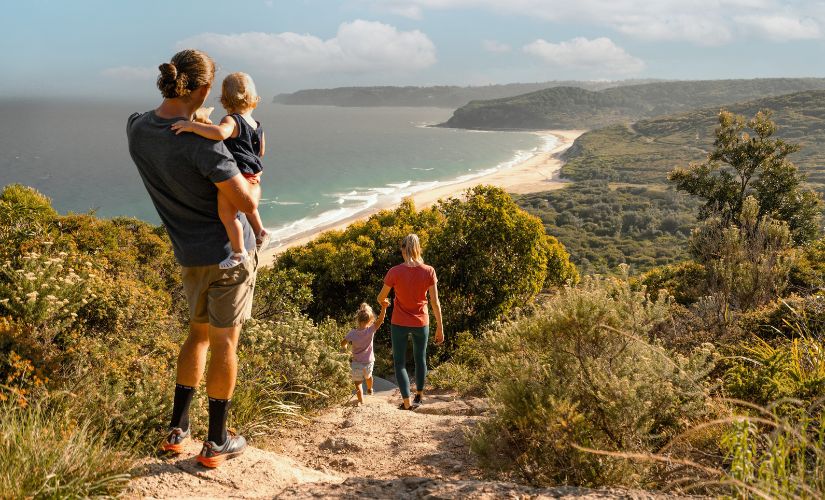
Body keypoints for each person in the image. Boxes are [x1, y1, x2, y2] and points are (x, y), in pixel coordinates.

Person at [126, 49, 260, 468]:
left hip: (187, 255)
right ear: (203, 89)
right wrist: (259, 181)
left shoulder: (137, 128)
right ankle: (216, 440)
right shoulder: (206, 150)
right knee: (224, 341)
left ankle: (177, 431)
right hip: (226, 256)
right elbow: (242, 199)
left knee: (196, 335)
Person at [171, 72, 269, 269]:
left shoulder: (231, 120)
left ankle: (238, 251)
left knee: (228, 215)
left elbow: (220, 133)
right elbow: (261, 151)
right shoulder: (256, 125)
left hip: (236, 175)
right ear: (252, 97)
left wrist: (192, 127)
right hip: (251, 173)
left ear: (225, 98)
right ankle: (260, 231)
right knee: (249, 207)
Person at [377, 234, 444, 410]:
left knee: (399, 363)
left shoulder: (394, 271)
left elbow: (381, 297)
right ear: (418, 248)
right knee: (420, 359)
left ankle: (406, 402)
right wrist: (440, 329)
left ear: (403, 249)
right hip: (421, 322)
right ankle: (419, 397)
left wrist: (384, 303)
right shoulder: (429, 271)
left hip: (399, 322)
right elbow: (435, 303)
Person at [341, 301, 388, 405]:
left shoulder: (352, 333)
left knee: (358, 383)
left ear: (357, 319)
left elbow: (343, 343)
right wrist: (384, 307)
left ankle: (361, 401)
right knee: (369, 376)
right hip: (369, 362)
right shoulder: (371, 330)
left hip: (356, 363)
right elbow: (380, 320)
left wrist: (345, 348)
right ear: (370, 320)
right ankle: (370, 388)